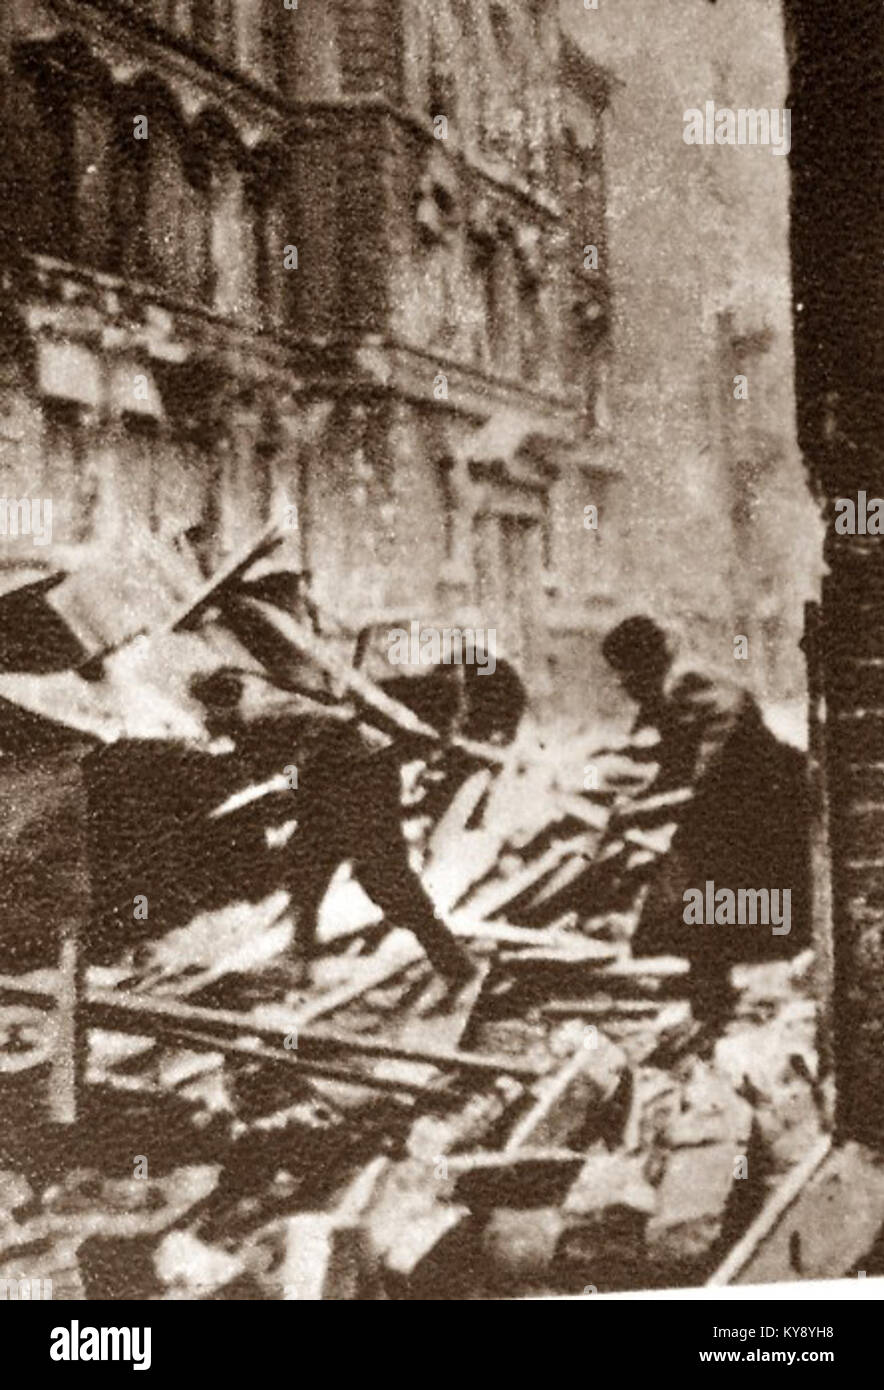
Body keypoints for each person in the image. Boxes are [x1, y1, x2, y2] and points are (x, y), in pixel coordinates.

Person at [190, 667, 476, 990]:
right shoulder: (267, 704)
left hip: (359, 774)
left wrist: (282, 786)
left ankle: (453, 963)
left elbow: (298, 753)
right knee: (310, 867)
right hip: (336, 775)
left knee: (382, 878)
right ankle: (302, 958)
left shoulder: (268, 710)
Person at [600, 615, 810, 1019]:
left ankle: (711, 997)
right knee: (699, 902)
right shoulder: (667, 692)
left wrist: (639, 812)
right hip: (737, 806)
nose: (620, 685)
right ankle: (709, 991)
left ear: (643, 665)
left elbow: (710, 768)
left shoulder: (686, 685)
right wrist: (638, 803)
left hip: (762, 804)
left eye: (623, 673)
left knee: (704, 896)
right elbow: (674, 767)